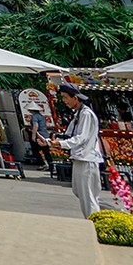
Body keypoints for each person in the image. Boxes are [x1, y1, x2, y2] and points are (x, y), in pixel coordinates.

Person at [37, 83, 106, 217]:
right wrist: (48, 142)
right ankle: (104, 214)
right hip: (80, 158)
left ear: (75, 98)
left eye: (65, 97)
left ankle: (95, 222)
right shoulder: (78, 114)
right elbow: (68, 135)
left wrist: (60, 143)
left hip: (87, 158)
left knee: (88, 196)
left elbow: (81, 138)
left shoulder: (86, 114)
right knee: (80, 192)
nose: (64, 101)